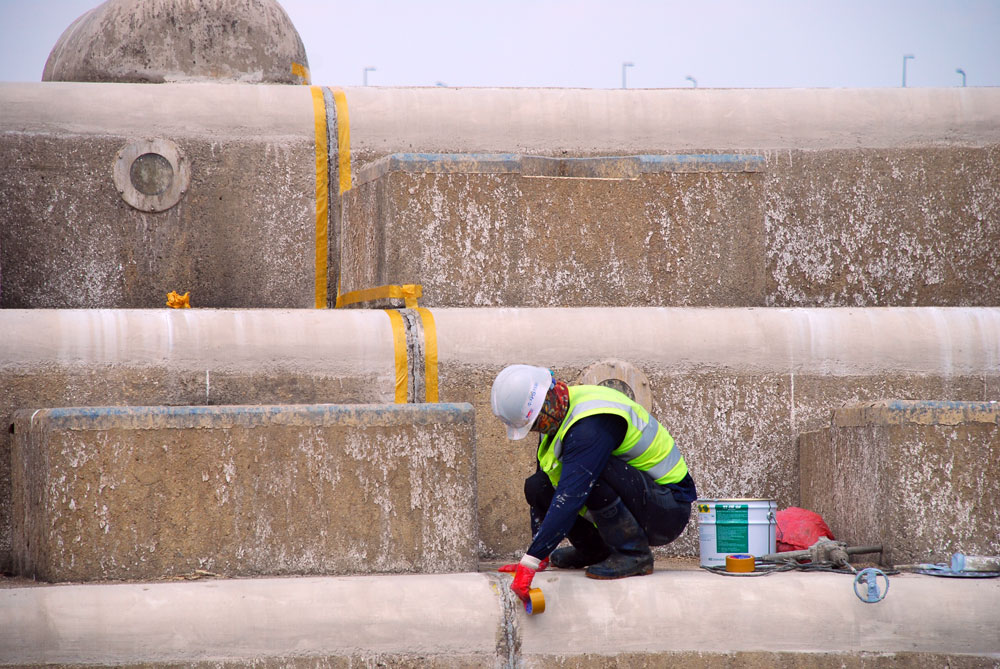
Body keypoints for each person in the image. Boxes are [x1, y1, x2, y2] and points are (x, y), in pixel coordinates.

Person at [491, 364, 697, 605]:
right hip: (641, 496)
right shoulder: (557, 414)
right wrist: (538, 554)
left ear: (548, 402)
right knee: (538, 485)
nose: (538, 429)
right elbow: (546, 485)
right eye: (532, 425)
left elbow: (571, 496)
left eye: (537, 422)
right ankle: (593, 550)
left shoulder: (591, 425)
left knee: (587, 476)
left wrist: (530, 563)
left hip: (667, 509)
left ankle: (634, 553)